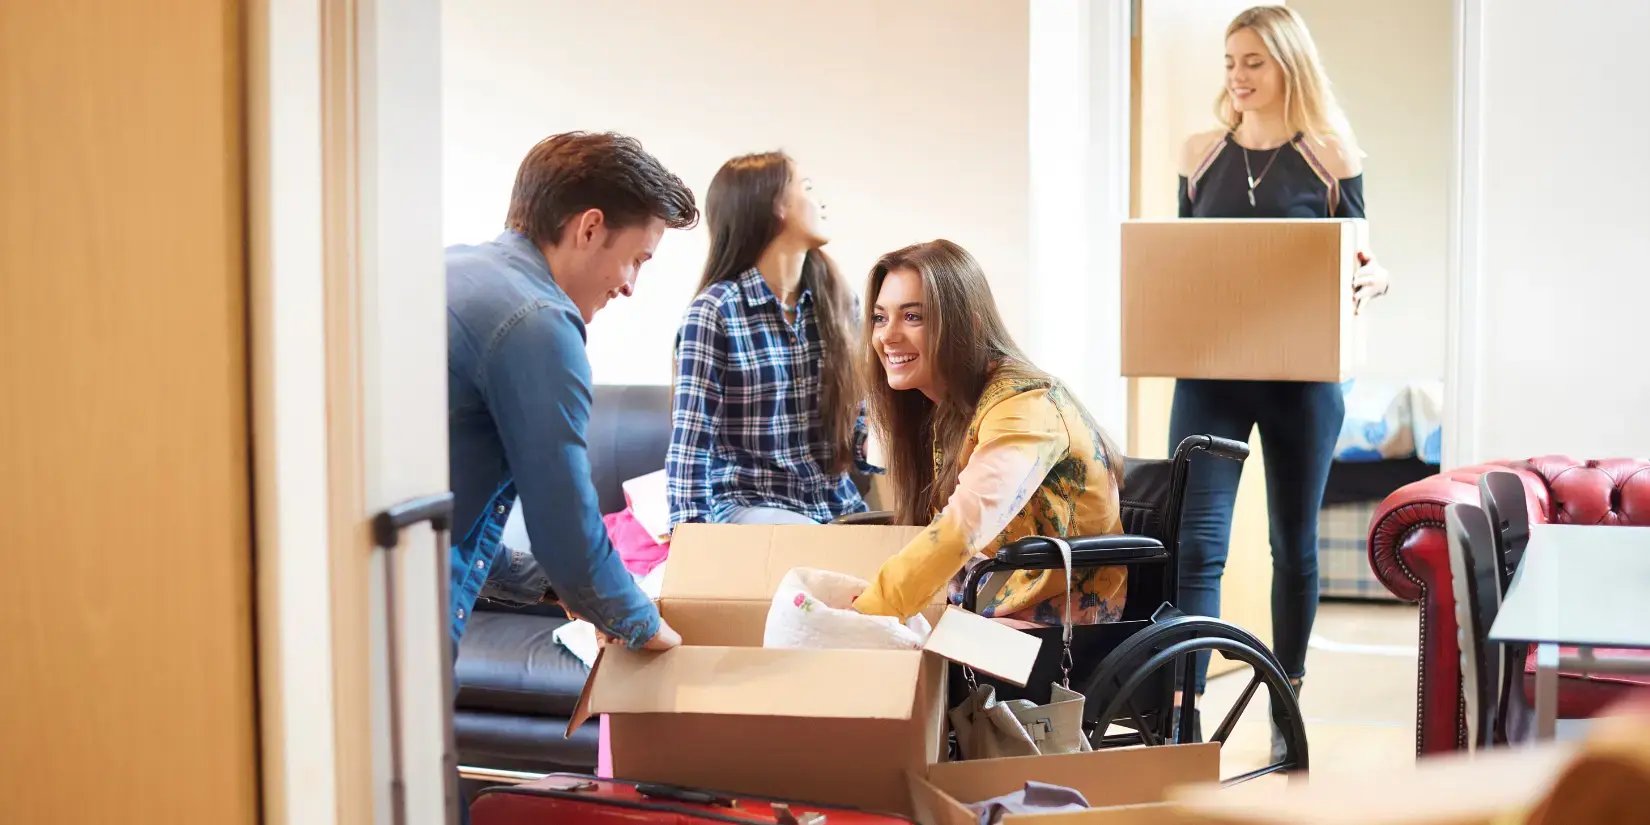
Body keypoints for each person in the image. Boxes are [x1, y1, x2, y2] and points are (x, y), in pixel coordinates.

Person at [1171, 5, 1391, 746]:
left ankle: (1285, 700)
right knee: (1196, 543)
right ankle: (1185, 710)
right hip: (1211, 374)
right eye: (1230, 61)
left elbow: (1363, 257)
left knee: (1292, 544)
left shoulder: (1331, 156)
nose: (1237, 76)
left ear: (1288, 64)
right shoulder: (1200, 153)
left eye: (1253, 62)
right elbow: (1182, 263)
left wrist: (1377, 277)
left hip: (1303, 380)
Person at [445, 131, 699, 652]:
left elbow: (447, 522)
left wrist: (548, 582)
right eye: (637, 259)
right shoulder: (538, 323)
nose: (629, 286)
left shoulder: (456, 271)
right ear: (590, 228)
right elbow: (565, 528)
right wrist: (644, 625)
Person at [849, 239, 1127, 626]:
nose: (887, 336)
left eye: (912, 317)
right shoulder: (949, 408)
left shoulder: (1025, 406)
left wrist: (865, 613)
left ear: (970, 325)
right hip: (987, 606)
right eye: (880, 318)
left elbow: (963, 526)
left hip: (1058, 623)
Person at [666, 151, 875, 528]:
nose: (821, 202)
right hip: (749, 506)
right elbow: (691, 447)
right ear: (774, 205)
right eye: (806, 188)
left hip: (836, 509)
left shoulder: (842, 304)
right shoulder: (715, 311)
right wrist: (692, 542)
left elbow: (859, 428)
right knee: (817, 544)